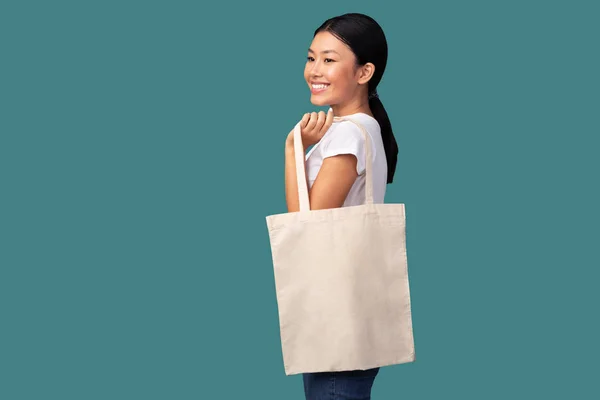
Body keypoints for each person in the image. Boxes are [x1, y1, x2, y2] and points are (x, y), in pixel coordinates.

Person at [283, 12, 399, 400]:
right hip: (352, 315)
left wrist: (293, 149)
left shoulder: (348, 134)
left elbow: (307, 227)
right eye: (311, 57)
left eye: (329, 60)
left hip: (336, 321)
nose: (314, 70)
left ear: (365, 72)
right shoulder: (366, 128)